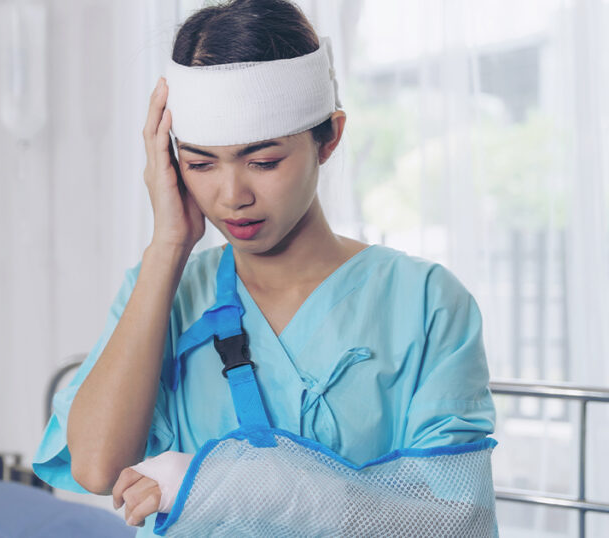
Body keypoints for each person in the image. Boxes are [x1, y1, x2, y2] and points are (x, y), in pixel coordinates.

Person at [33, 0, 497, 535]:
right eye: (200, 163)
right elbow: (96, 468)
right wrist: (168, 245)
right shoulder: (167, 289)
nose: (231, 196)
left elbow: (455, 521)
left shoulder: (426, 302)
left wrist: (221, 485)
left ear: (330, 138)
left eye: (264, 161)